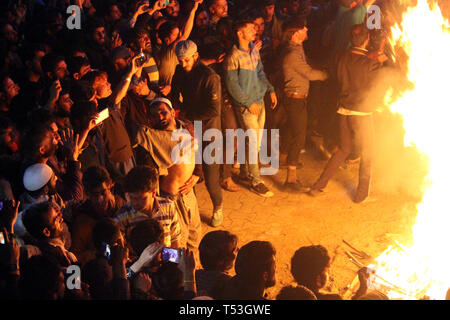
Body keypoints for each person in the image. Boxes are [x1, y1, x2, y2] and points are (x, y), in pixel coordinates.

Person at [309, 24, 385, 203]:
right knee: (368, 151)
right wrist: (379, 62)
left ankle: (318, 185)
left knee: (344, 149)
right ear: (367, 40)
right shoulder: (370, 64)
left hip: (343, 111)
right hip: (362, 114)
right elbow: (376, 86)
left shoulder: (340, 57)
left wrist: (375, 58)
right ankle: (361, 194)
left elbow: (349, 66)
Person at [133, 98, 203, 248]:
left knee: (195, 233)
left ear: (172, 112)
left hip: (188, 192)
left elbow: (198, 151)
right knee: (179, 240)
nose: (160, 117)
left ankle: (194, 266)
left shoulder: (187, 127)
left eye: (163, 112)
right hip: (171, 198)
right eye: (154, 115)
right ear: (150, 119)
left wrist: (197, 175)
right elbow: (148, 171)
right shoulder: (151, 139)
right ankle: (182, 270)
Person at [171, 40, 223, 226]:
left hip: (209, 129)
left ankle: (217, 206)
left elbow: (214, 109)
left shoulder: (210, 77)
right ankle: (189, 209)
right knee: (187, 172)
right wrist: (174, 107)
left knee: (209, 175)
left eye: (185, 60)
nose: (182, 64)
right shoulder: (179, 71)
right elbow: (174, 93)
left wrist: (187, 115)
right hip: (188, 128)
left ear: (195, 56)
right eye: (180, 60)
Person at [223, 19, 277, 197]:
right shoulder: (233, 56)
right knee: (253, 142)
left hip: (258, 101)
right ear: (240, 33)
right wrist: (248, 103)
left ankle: (245, 172)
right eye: (250, 29)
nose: (255, 31)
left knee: (254, 140)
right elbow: (232, 86)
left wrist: (270, 89)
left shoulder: (253, 50)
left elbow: (260, 72)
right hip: (247, 106)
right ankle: (256, 180)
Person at [279, 18, 328, 192]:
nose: (307, 29)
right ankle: (290, 179)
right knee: (299, 135)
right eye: (303, 28)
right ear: (295, 34)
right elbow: (308, 73)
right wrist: (326, 75)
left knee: (291, 129)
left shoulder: (297, 49)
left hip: (296, 98)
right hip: (295, 99)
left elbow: (307, 65)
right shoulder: (292, 54)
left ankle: (282, 158)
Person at [114, 165, 181, 249]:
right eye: (131, 197)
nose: (135, 203)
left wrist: (174, 261)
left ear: (153, 193)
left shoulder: (168, 207)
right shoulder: (122, 216)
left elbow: (175, 240)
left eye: (140, 198)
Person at [70, 166, 126, 265]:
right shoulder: (83, 221)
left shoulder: (122, 207)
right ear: (87, 193)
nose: (100, 199)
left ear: (110, 185)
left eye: (103, 193)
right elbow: (75, 256)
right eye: (94, 195)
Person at [22, 201, 77, 268]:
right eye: (56, 218)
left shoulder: (59, 249)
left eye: (58, 212)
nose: (61, 218)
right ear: (46, 232)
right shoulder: (60, 258)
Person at [196, 230, 237, 297]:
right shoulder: (229, 284)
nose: (235, 255)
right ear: (221, 261)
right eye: (234, 251)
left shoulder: (193, 275)